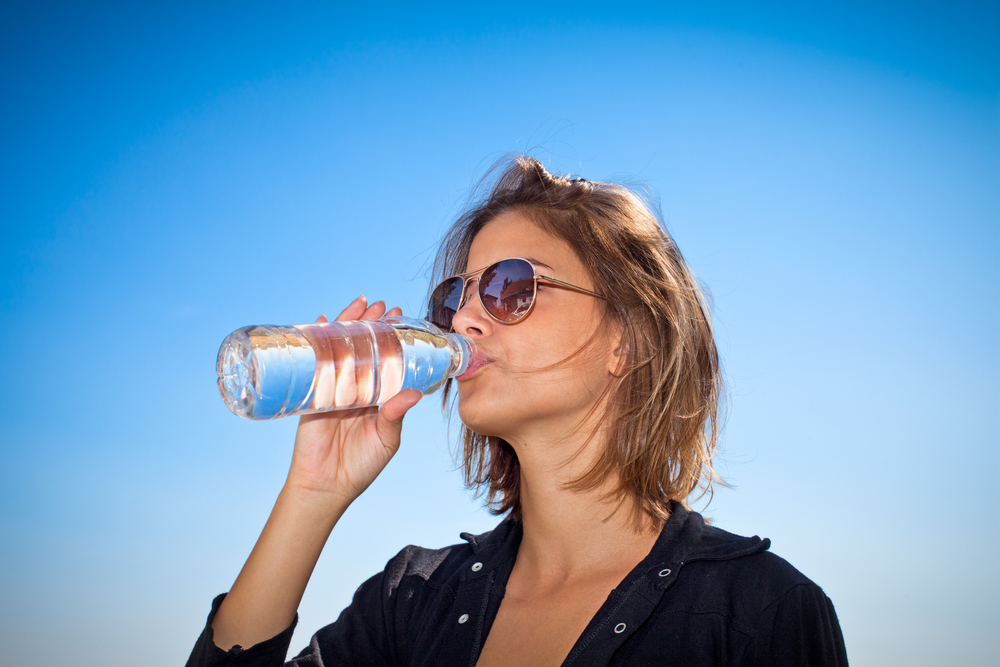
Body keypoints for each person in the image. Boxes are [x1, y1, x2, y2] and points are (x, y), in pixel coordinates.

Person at [187, 156, 848, 666]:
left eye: (511, 286)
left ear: (625, 337)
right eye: (456, 295)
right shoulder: (412, 602)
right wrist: (313, 493)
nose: (465, 317)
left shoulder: (761, 614)